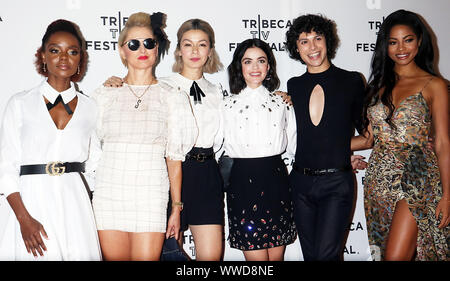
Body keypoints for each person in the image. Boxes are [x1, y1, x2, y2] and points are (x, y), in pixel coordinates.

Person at [103, 18, 225, 261]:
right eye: (188, 44)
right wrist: (113, 82)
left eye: (202, 45)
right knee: (169, 254)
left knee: (211, 257)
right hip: (170, 175)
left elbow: (223, 139)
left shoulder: (217, 91)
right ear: (178, 50)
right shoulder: (163, 87)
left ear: (210, 50)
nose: (195, 51)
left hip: (207, 174)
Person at [91, 12, 197, 261]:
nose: (142, 49)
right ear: (121, 51)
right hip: (109, 194)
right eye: (133, 44)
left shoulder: (172, 97)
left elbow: (174, 160)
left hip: (150, 195)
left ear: (157, 48)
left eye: (149, 43)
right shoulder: (104, 95)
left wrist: (176, 208)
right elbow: (92, 150)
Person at [0, 19, 101, 260]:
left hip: (75, 204)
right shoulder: (20, 103)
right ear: (43, 56)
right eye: (55, 50)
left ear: (80, 59)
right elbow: (6, 167)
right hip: (30, 203)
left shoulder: (92, 107)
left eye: (72, 51)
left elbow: (96, 165)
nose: (64, 58)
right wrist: (24, 220)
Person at [353, 9, 449, 261]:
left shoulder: (435, 85)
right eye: (393, 42)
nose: (401, 48)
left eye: (408, 39)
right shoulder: (377, 87)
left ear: (419, 41)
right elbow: (368, 139)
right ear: (385, 46)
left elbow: (442, 143)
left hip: (418, 175)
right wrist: (316, 146)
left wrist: (448, 195)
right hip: (378, 179)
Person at [285, 14, 366, 261]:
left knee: (325, 257)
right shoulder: (293, 86)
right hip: (299, 184)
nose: (312, 47)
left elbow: (368, 137)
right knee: (311, 257)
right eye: (304, 41)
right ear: (296, 48)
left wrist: (339, 151)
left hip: (336, 184)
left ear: (327, 41)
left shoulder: (351, 80)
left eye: (317, 38)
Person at [222, 38, 297, 261]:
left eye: (261, 61)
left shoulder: (282, 102)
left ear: (268, 66)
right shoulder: (226, 105)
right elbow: (215, 146)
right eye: (248, 61)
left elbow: (295, 145)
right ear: (239, 67)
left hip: (277, 182)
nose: (255, 67)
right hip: (242, 184)